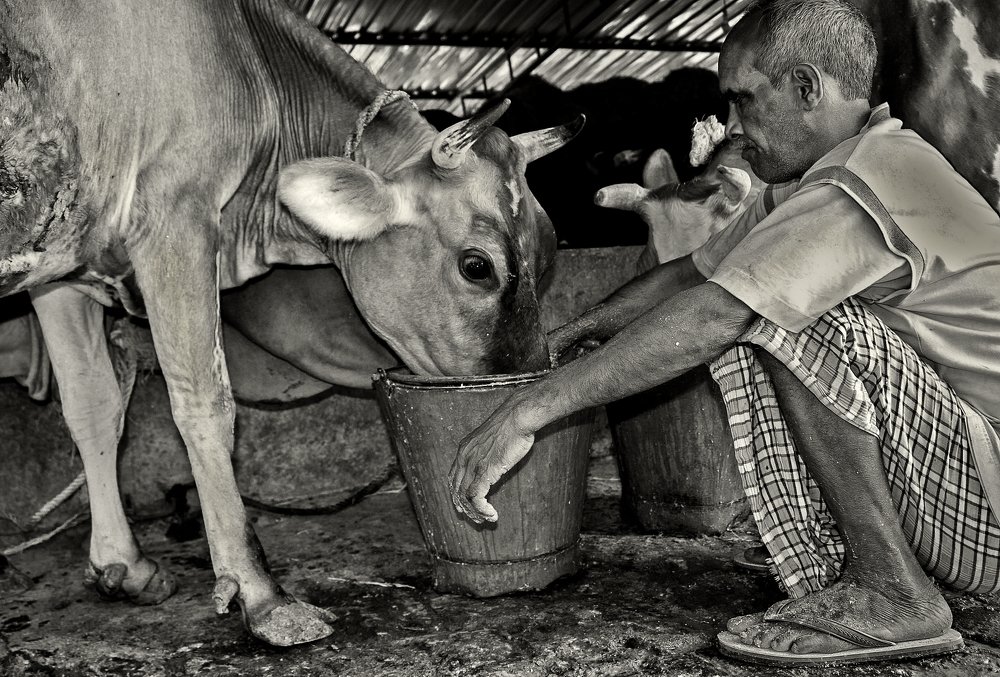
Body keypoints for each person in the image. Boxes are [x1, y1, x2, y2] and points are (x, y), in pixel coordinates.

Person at [448, 0, 1000, 666]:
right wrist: (569, 334)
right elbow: (690, 275)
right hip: (964, 491)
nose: (732, 123)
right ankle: (855, 573)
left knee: (778, 316)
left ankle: (893, 590)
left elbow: (716, 310)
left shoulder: (876, 173)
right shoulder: (806, 186)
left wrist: (524, 412)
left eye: (743, 99)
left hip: (989, 513)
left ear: (805, 88)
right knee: (753, 302)